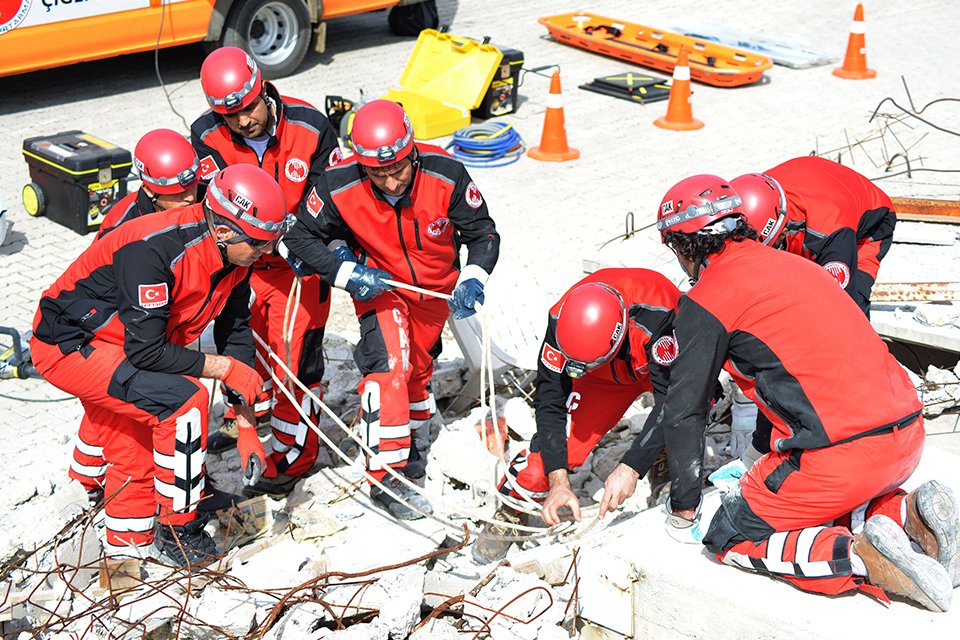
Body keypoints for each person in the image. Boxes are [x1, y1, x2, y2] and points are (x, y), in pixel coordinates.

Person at [648, 174, 957, 611]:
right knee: (817, 498)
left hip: (841, 458)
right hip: (906, 438)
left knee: (731, 533)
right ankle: (909, 517)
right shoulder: (802, 268)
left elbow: (685, 410)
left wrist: (683, 507)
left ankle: (862, 558)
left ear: (683, 245)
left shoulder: (709, 297)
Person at [31, 165, 288, 566]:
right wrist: (222, 370)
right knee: (185, 403)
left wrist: (247, 427)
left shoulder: (236, 254)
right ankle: (177, 530)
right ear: (223, 231)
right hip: (71, 344)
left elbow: (235, 333)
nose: (266, 253)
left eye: (272, 241)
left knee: (134, 449)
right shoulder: (153, 249)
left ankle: (126, 552)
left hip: (123, 344)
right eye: (259, 243)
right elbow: (148, 352)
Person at [282, 100, 500, 520]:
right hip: (378, 287)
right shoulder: (339, 182)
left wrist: (474, 276)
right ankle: (386, 476)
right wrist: (345, 272)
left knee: (417, 371)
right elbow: (300, 237)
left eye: (397, 168)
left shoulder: (446, 173)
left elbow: (483, 233)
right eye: (377, 172)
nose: (390, 180)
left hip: (435, 293)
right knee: (389, 367)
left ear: (411, 151)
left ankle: (410, 441)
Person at [191, 46, 342, 497]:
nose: (242, 122)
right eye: (230, 115)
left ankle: (294, 457)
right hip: (238, 264)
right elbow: (208, 204)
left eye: (248, 108)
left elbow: (331, 204)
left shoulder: (311, 127)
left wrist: (310, 244)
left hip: (296, 270)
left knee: (294, 361)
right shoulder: (206, 134)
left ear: (263, 88)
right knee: (241, 351)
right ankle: (246, 426)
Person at [473, 268, 681, 563]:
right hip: (601, 376)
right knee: (549, 455)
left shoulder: (659, 316)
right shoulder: (561, 322)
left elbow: (674, 400)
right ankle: (514, 506)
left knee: (688, 410)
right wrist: (557, 479)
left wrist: (630, 468)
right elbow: (550, 401)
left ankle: (665, 459)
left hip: (654, 361)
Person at [69, 128, 202, 497]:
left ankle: (85, 478)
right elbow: (107, 296)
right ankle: (95, 488)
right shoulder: (124, 226)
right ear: (149, 190)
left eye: (191, 185)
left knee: (104, 415)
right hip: (112, 330)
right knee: (122, 425)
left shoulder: (195, 200)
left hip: (153, 323)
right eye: (175, 193)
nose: (189, 197)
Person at [731, 156, 896, 316]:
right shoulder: (756, 195)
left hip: (870, 226)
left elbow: (839, 310)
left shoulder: (832, 234)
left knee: (847, 305)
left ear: (783, 232)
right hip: (819, 188)